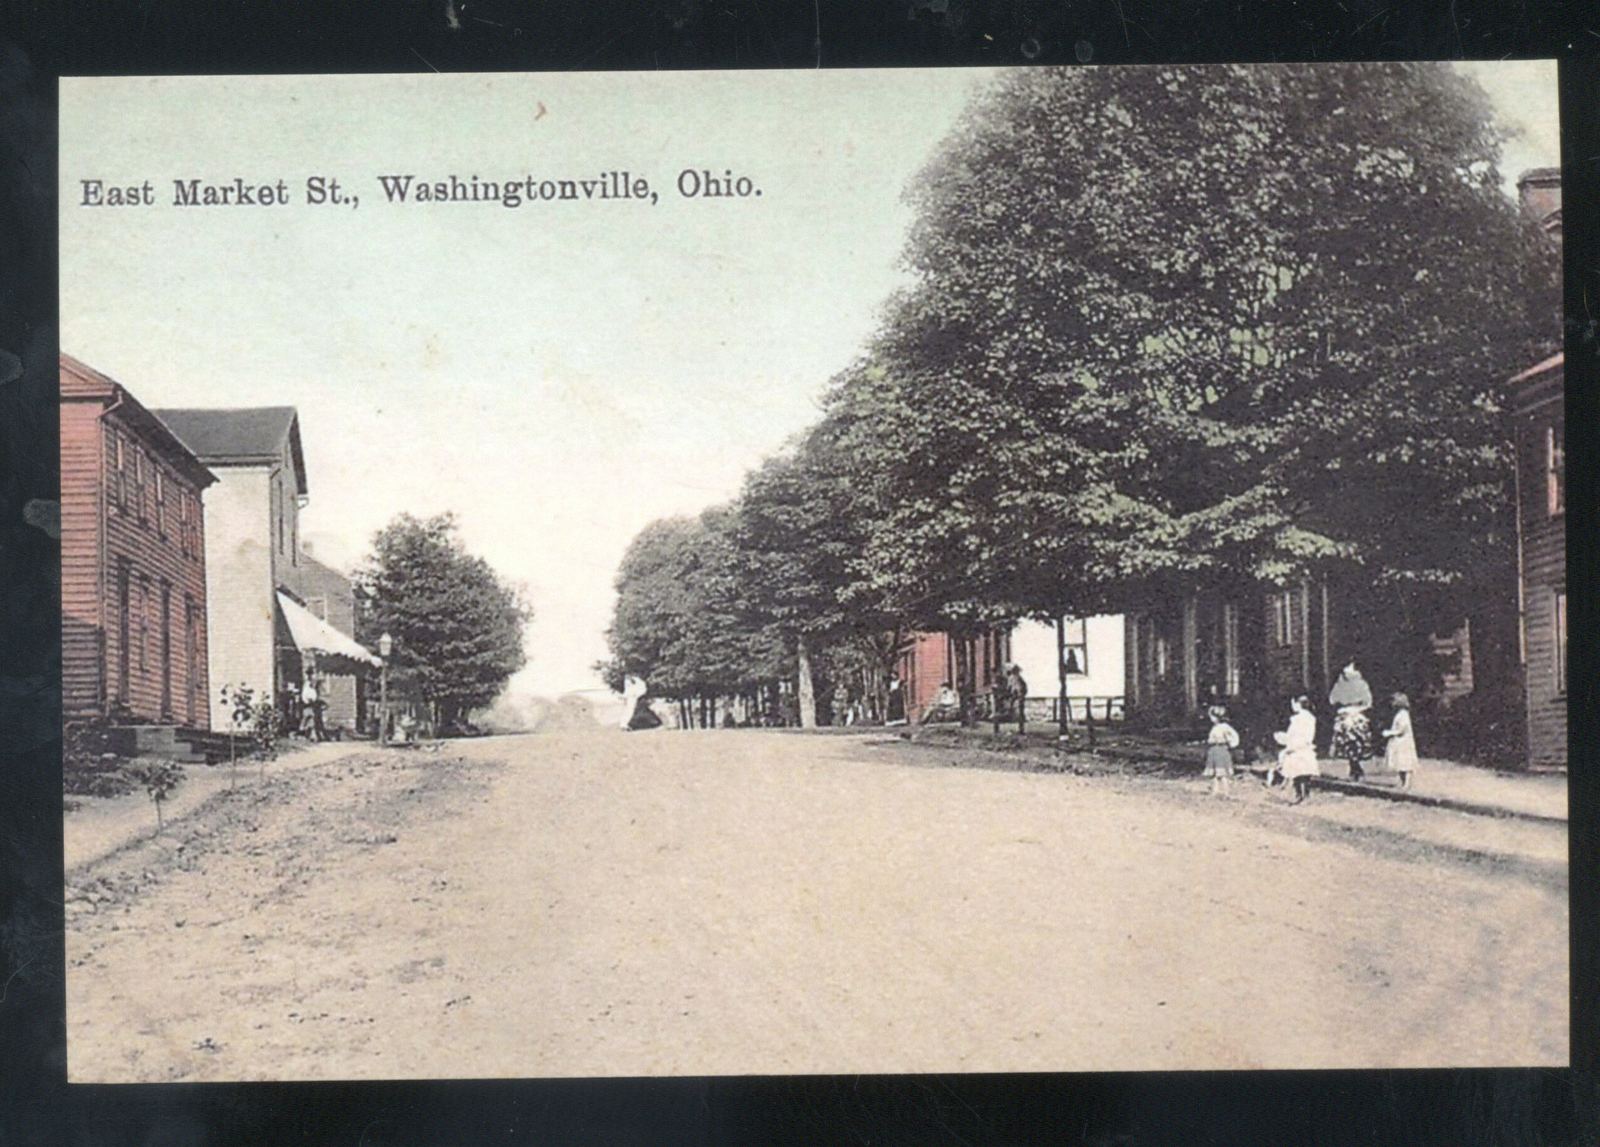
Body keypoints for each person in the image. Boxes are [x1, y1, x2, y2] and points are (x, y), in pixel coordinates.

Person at [1328, 661, 1374, 781]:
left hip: (1352, 716)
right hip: (1351, 716)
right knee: (1351, 743)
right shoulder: (1343, 683)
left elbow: (1368, 702)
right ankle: (1354, 766)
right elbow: (1333, 699)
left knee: (1353, 743)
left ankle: (1355, 766)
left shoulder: (1358, 684)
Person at [1273, 694, 1319, 803]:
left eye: (1293, 704)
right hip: (1305, 746)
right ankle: (1305, 795)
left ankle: (1300, 795)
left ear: (1298, 704)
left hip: (1297, 746)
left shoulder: (1298, 719)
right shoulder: (1310, 718)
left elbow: (1294, 734)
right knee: (1304, 773)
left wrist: (1285, 739)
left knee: (1296, 772)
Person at [1381, 692, 1419, 789]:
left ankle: (1407, 783)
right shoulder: (1399, 714)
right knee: (1399, 763)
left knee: (1405, 763)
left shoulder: (1403, 714)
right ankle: (1401, 781)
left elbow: (1402, 729)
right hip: (1398, 742)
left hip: (1404, 743)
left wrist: (1389, 733)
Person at [1203, 705, 1240, 796]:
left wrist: (1231, 744)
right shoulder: (1214, 727)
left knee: (1222, 774)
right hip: (1213, 750)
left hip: (1221, 750)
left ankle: (1226, 792)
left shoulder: (1224, 727)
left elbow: (1234, 736)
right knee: (1215, 774)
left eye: (1212, 717)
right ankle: (1215, 791)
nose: (1211, 719)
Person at [1005, 664, 1029, 730]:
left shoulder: (1018, 678)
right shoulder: (1014, 678)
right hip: (1016, 695)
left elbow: (1023, 687)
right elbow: (1009, 687)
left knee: (1020, 710)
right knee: (1015, 708)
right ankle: (1015, 720)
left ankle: (1020, 726)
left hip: (1018, 695)